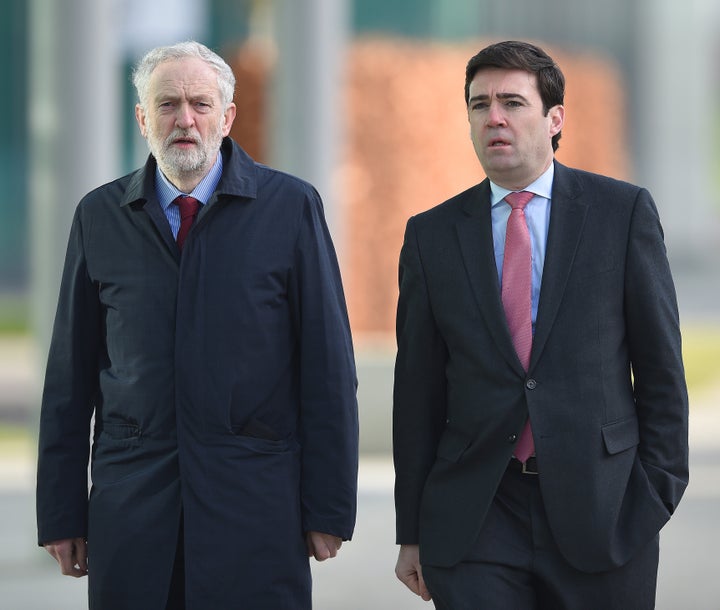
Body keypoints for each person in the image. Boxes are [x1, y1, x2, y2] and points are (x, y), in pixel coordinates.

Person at [36, 40, 359, 610]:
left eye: (200, 104)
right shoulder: (98, 216)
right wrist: (61, 513)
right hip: (132, 507)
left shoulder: (290, 207)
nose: (184, 119)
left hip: (255, 508)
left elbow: (328, 369)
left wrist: (328, 508)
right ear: (142, 118)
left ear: (227, 116)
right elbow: (69, 377)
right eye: (167, 105)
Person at [392, 40, 688, 609]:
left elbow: (661, 371)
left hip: (604, 512)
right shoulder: (431, 235)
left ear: (555, 119)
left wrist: (654, 493)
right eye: (479, 105)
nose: (493, 118)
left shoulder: (621, 214)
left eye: (512, 102)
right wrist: (413, 529)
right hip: (478, 512)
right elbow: (418, 392)